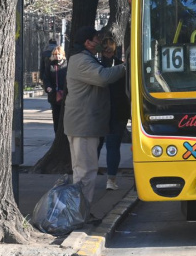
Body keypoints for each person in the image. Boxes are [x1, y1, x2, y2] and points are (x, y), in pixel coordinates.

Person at [64, 26, 126, 204]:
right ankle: (80, 210)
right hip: (83, 124)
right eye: (97, 39)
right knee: (85, 171)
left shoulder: (85, 58)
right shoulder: (82, 60)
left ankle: (80, 209)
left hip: (84, 124)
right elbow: (103, 77)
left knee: (84, 170)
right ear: (88, 42)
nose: (100, 42)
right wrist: (126, 67)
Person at [100, 37, 131, 191]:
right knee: (112, 146)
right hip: (117, 110)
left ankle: (99, 178)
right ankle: (111, 179)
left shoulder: (96, 65)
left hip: (103, 111)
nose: (107, 52)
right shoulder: (121, 67)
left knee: (98, 146)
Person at [44, 46, 67, 134]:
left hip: (65, 94)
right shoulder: (50, 65)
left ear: (63, 55)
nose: (57, 56)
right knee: (56, 116)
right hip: (54, 95)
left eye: (59, 54)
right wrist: (48, 87)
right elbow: (46, 78)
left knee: (65, 116)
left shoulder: (67, 65)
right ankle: (57, 134)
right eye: (55, 54)